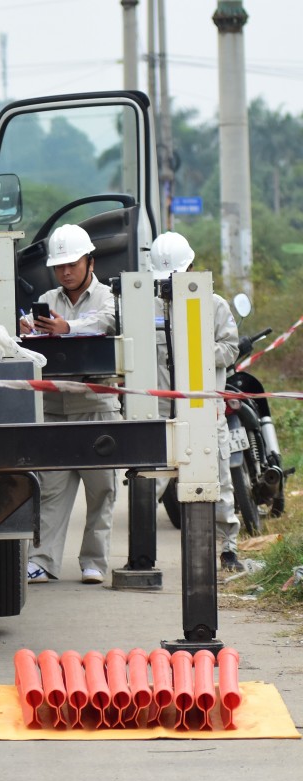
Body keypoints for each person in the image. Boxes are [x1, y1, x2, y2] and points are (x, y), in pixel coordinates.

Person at [21, 224, 119, 585]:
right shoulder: (49, 299)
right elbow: (32, 334)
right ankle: (43, 561)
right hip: (55, 405)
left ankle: (94, 561)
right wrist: (29, 329)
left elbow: (105, 322)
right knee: (50, 488)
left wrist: (67, 329)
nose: (65, 272)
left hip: (95, 402)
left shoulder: (108, 298)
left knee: (102, 488)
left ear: (90, 262)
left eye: (72, 264)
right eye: (60, 266)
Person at [150, 231, 242, 569]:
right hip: (160, 411)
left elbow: (230, 349)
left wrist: (196, 352)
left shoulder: (215, 306)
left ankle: (227, 548)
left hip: (205, 408)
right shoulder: (147, 308)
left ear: (190, 268)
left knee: (217, 477)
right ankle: (141, 551)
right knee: (146, 483)